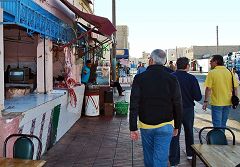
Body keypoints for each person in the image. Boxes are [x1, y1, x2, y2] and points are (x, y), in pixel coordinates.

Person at [129, 49, 182, 167]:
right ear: (164, 62)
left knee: (148, 157)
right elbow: (178, 104)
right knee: (161, 159)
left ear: (151, 60)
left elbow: (134, 104)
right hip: (166, 125)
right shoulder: (172, 79)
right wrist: (177, 126)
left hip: (146, 125)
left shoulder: (140, 78)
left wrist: (133, 127)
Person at [169, 57, 202, 166]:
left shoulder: (170, 77)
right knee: (189, 132)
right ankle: (190, 154)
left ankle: (174, 160)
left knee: (175, 133)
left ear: (177, 66)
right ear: (187, 66)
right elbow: (198, 97)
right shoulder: (191, 78)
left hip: (173, 110)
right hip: (188, 109)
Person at [202, 55, 238, 128]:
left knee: (217, 125)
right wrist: (236, 100)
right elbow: (235, 88)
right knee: (223, 124)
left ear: (216, 62)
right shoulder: (229, 72)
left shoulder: (212, 73)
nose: (210, 63)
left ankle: (218, 139)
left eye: (211, 61)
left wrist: (206, 101)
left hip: (217, 103)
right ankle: (222, 138)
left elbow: (208, 89)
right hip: (228, 102)